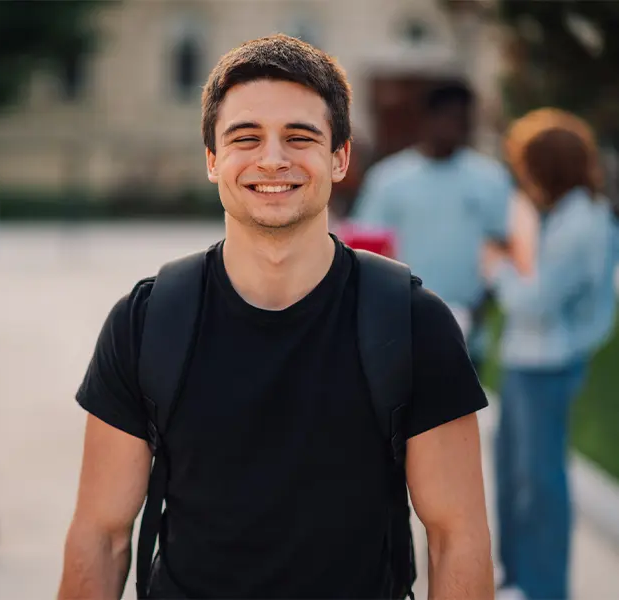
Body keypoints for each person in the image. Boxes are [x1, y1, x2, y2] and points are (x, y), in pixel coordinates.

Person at [58, 35, 492, 599]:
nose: (272, 159)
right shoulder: (147, 321)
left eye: (299, 137)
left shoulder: (412, 323)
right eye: (245, 138)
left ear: (340, 158)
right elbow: (101, 534)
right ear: (212, 160)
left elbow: (457, 535)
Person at [483, 109, 618, 600]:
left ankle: (541, 588)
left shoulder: (581, 222)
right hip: (528, 361)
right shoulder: (563, 214)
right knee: (513, 475)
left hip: (547, 364)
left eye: (527, 165)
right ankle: (517, 578)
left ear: (547, 166)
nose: (523, 176)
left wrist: (497, 268)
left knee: (538, 482)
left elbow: (535, 301)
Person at [352, 80, 513, 369]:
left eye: (464, 120)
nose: (457, 128)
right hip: (404, 323)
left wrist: (485, 300)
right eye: (449, 118)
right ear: (427, 119)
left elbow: (502, 245)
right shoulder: (390, 178)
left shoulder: (490, 178)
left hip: (468, 324)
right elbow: (367, 249)